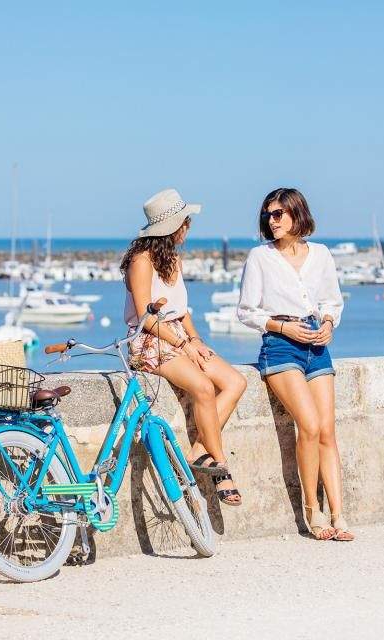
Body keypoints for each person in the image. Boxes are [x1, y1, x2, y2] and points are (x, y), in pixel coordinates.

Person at [237, 187, 354, 540]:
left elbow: (332, 301)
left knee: (327, 431)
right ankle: (311, 510)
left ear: (296, 214)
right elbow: (246, 311)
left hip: (316, 342)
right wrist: (283, 326)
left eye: (278, 214)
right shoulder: (260, 258)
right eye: (267, 215)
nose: (271, 221)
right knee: (309, 425)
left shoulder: (320, 254)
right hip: (280, 345)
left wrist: (329, 325)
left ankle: (339, 514)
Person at [121, 188, 247, 506]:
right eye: (186, 221)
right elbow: (144, 318)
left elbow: (182, 311)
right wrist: (181, 343)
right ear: (176, 226)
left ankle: (197, 452)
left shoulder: (173, 258)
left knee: (235, 382)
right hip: (150, 339)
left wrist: (195, 341)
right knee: (203, 388)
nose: (189, 227)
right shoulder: (141, 260)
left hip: (178, 334)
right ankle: (221, 470)